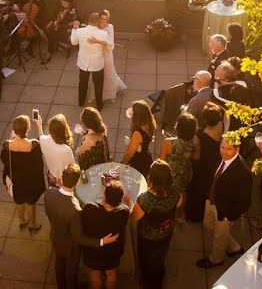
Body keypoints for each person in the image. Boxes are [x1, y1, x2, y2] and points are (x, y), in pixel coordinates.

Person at [44, 163, 119, 289]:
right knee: (71, 271)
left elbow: (49, 213)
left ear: (61, 178)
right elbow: (79, 237)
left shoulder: (49, 193)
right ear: (77, 182)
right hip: (71, 247)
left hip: (55, 238)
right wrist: (101, 241)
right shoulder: (75, 210)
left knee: (59, 264)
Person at [197, 139, 253, 269]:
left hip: (225, 211)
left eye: (229, 149)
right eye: (222, 147)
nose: (224, 151)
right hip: (211, 200)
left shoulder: (243, 172)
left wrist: (229, 215)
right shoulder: (220, 157)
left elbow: (245, 202)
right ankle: (234, 247)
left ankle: (216, 259)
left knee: (219, 237)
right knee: (208, 224)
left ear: (237, 149)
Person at [132, 160, 183, 289]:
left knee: (147, 262)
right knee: (160, 255)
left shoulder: (145, 199)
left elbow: (135, 217)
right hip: (167, 232)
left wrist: (129, 200)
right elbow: (179, 205)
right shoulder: (176, 190)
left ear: (152, 177)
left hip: (148, 238)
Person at [0, 115, 47, 233]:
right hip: (30, 181)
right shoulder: (34, 145)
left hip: (16, 181)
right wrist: (40, 125)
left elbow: (4, 159)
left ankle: (22, 221)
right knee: (31, 203)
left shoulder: (7, 145)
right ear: (27, 129)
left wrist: (11, 137)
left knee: (18, 201)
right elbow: (39, 163)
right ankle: (33, 224)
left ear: (14, 130)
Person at [81, 180, 130, 289]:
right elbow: (128, 209)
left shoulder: (89, 208)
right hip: (113, 251)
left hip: (93, 251)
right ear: (120, 199)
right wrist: (128, 198)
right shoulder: (124, 212)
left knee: (94, 275)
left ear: (104, 195)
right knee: (111, 273)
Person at [186, 103, 225, 223]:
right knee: (206, 188)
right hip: (213, 162)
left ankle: (194, 215)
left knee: (196, 190)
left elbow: (196, 157)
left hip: (201, 165)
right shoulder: (221, 125)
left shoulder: (200, 135)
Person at [71, 13, 111, 110]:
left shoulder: (79, 31)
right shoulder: (103, 34)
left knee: (83, 83)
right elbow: (108, 47)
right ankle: (99, 105)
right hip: (97, 63)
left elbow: (73, 42)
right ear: (98, 21)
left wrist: (74, 28)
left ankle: (81, 102)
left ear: (88, 20)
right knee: (98, 85)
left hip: (83, 62)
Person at [159, 113, 197, 213]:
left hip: (170, 173)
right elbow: (196, 157)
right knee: (182, 193)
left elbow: (160, 161)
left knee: (167, 194)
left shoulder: (168, 142)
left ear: (178, 127)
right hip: (185, 173)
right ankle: (179, 214)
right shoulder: (196, 142)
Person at [36, 113, 76, 187]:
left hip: (51, 177)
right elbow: (73, 167)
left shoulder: (43, 140)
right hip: (64, 180)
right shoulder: (65, 149)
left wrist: (39, 125)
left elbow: (41, 137)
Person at [98, 10, 126, 103]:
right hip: (97, 54)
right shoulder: (95, 26)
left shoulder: (110, 27)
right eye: (102, 18)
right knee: (97, 76)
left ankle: (110, 94)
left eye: (106, 19)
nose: (103, 21)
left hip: (107, 54)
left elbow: (111, 45)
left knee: (109, 74)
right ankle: (97, 94)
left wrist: (102, 42)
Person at [123, 100, 155, 176]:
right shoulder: (150, 124)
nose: (131, 111)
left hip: (139, 162)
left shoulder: (137, 134)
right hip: (146, 157)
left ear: (137, 116)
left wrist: (122, 163)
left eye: (133, 110)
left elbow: (129, 153)